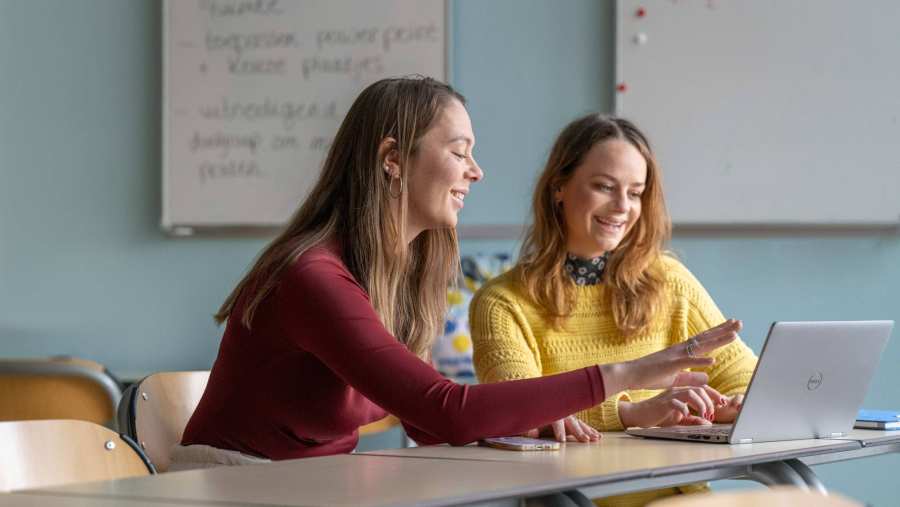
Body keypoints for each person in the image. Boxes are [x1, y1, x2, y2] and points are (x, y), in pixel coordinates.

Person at [179, 79, 739, 480]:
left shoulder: (395, 272)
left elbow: (430, 420)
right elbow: (444, 408)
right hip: (239, 486)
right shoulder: (312, 278)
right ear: (392, 159)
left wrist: (527, 425)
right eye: (459, 152)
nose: (476, 171)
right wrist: (628, 375)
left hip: (313, 485)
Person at [469, 114, 758, 506]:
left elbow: (741, 374)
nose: (623, 207)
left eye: (636, 192)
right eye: (605, 187)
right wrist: (629, 413)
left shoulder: (668, 280)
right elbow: (524, 418)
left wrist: (733, 404)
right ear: (559, 187)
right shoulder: (502, 302)